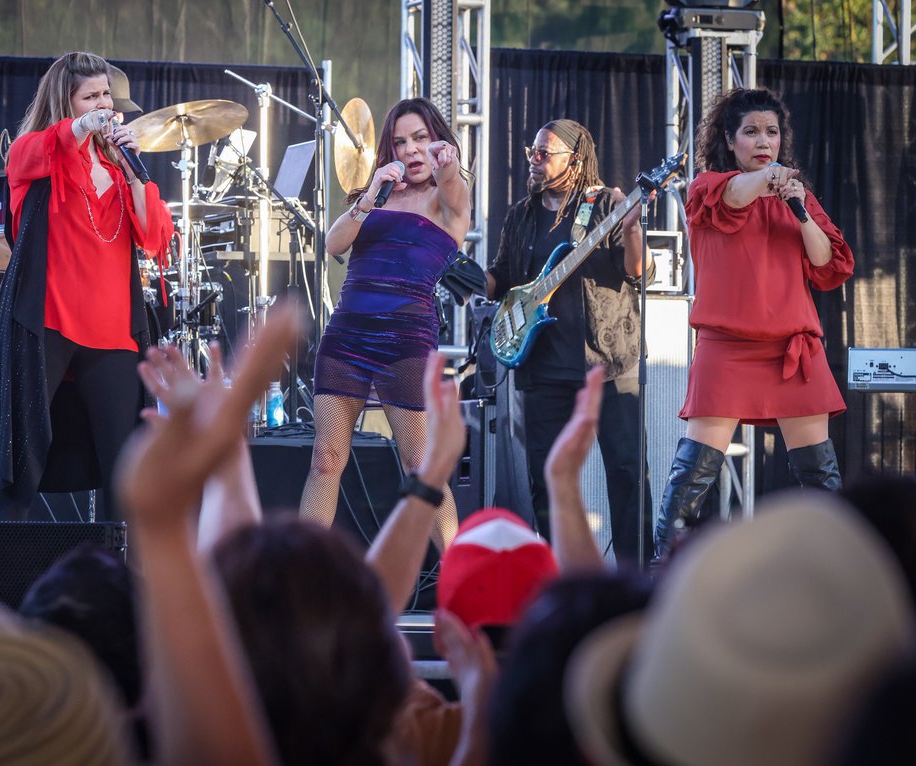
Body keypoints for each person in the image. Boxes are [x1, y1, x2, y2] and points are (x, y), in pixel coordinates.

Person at [0, 51, 172, 521]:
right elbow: (24, 154)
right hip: (49, 322)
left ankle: (121, 577)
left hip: (113, 331)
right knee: (18, 455)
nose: (105, 105)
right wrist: (79, 131)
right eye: (91, 97)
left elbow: (155, 236)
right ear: (67, 103)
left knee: (126, 467)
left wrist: (133, 170)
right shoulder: (36, 155)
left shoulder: (119, 167)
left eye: (108, 95)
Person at [655, 88, 854, 557]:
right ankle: (660, 576)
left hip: (793, 348)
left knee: (822, 479)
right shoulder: (709, 186)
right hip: (726, 348)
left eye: (772, 132)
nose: (764, 140)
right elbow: (738, 196)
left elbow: (826, 261)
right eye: (751, 132)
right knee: (691, 478)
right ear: (730, 139)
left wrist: (798, 206)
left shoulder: (796, 195)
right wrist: (770, 178)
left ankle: (843, 576)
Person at [298, 97, 471, 551]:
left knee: (420, 465)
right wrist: (371, 192)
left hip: (405, 343)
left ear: (437, 139)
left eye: (420, 138)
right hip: (346, 336)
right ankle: (299, 578)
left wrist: (447, 165)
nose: (411, 150)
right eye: (400, 142)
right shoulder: (377, 196)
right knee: (326, 458)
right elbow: (334, 244)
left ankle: (458, 578)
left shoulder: (447, 198)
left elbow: (452, 184)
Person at [486, 119, 652, 567]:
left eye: (545, 154)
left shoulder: (606, 205)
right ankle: (559, 576)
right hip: (543, 368)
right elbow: (502, 281)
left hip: (610, 363)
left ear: (575, 162)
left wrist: (633, 228)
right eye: (532, 153)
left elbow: (639, 273)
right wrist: (466, 276)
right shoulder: (521, 215)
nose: (535, 161)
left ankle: (637, 581)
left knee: (627, 473)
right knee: (547, 479)